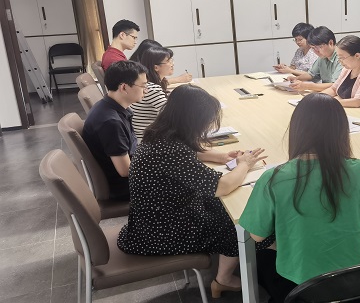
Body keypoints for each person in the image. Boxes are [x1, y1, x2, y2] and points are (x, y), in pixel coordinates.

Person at [118, 84, 274, 298]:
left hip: (151, 220)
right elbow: (222, 186)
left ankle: (228, 272)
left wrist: (220, 157)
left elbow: (189, 154)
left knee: (226, 209)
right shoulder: (171, 150)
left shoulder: (159, 134)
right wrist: (244, 164)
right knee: (242, 226)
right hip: (161, 233)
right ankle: (224, 280)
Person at [239, 93, 360, 303]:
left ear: (297, 131)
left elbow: (257, 236)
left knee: (261, 258)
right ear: (341, 131)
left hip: (299, 286)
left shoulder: (274, 177)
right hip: (351, 279)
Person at [81, 60, 148, 200]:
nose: (146, 90)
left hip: (129, 174)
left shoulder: (107, 106)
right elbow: (125, 171)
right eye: (143, 86)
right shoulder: (111, 123)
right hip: (126, 186)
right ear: (124, 87)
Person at [321, 35, 360, 110]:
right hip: (344, 109)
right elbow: (333, 89)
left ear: (357, 56)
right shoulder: (347, 69)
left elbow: (357, 102)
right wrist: (318, 98)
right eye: (338, 57)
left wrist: (329, 102)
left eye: (342, 58)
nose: (339, 61)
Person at [130, 46, 171, 140]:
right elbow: (172, 117)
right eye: (168, 61)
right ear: (156, 67)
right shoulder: (152, 89)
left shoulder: (149, 85)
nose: (172, 64)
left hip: (143, 137)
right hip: (148, 141)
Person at [287, 26, 343, 92]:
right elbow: (311, 74)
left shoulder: (342, 57)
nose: (316, 51)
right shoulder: (322, 57)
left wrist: (307, 86)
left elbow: (335, 85)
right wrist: (296, 79)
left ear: (330, 43)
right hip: (325, 92)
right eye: (313, 48)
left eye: (319, 47)